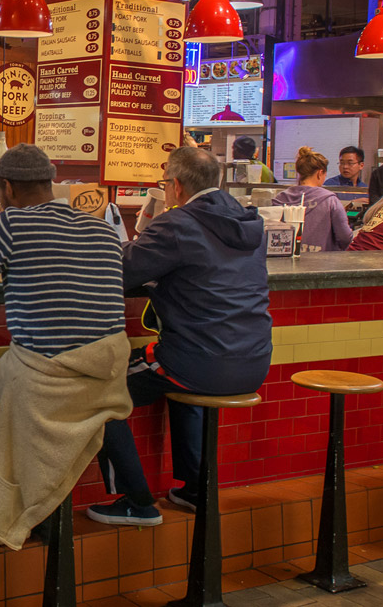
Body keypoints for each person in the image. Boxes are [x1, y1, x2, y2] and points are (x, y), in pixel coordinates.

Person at [0, 144, 131, 554]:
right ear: (51, 182)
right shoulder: (102, 229)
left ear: (7, 188)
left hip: (46, 390)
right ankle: (37, 514)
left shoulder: (10, 225)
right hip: (102, 391)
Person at [88, 146, 271, 526]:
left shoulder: (177, 225)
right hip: (254, 362)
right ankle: (194, 488)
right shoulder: (250, 223)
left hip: (198, 361)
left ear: (174, 185)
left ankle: (136, 502)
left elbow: (119, 274)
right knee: (178, 372)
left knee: (97, 394)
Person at [272, 147, 353, 252]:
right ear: (320, 173)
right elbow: (345, 237)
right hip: (320, 263)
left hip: (285, 262)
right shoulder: (330, 200)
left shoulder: (280, 198)